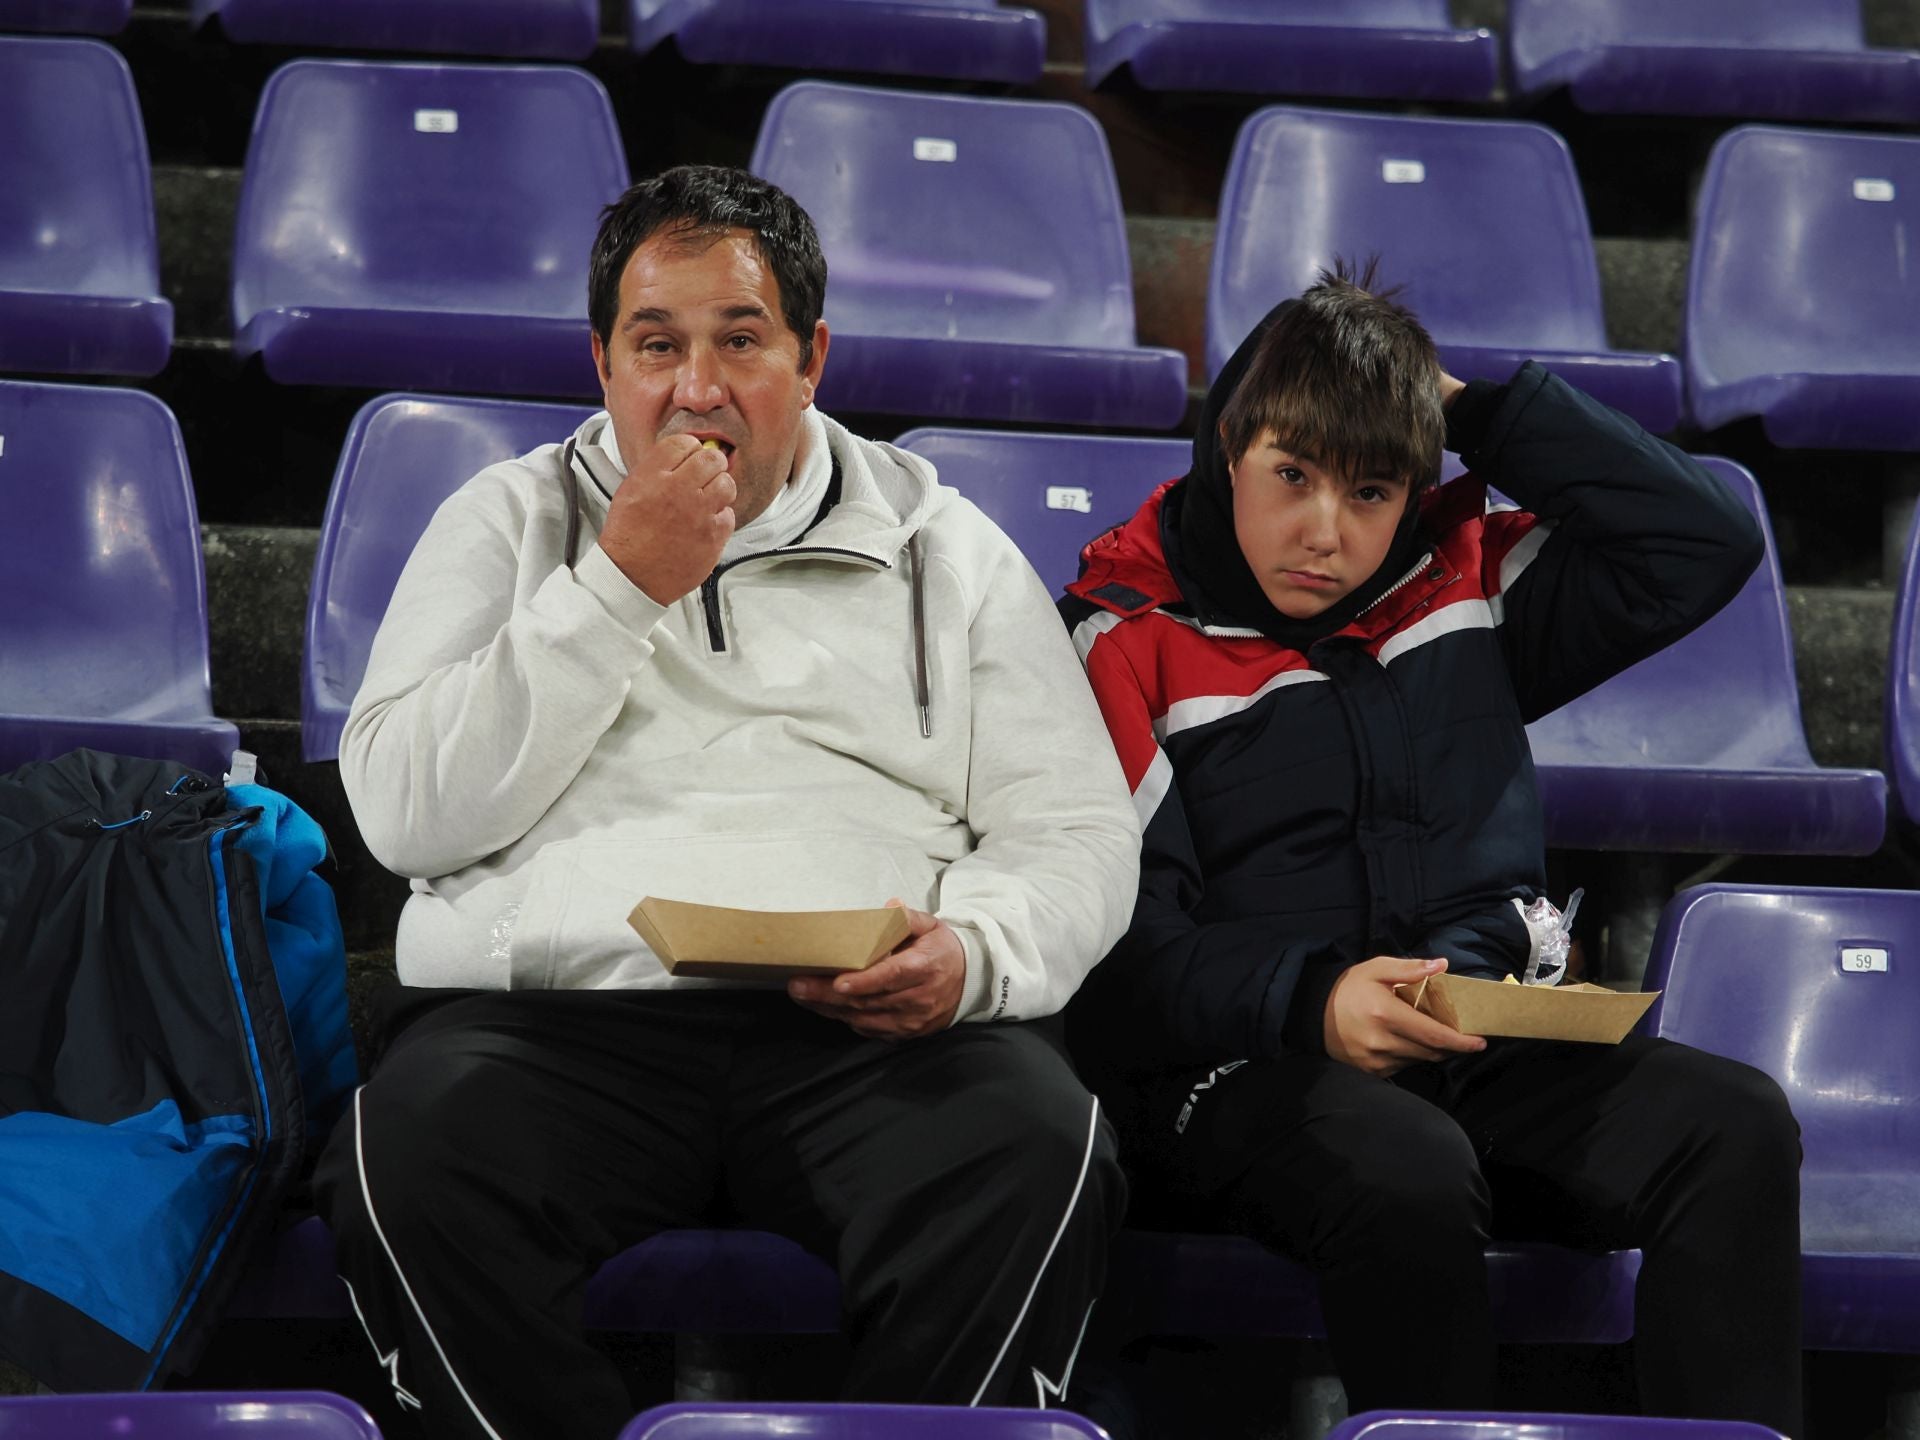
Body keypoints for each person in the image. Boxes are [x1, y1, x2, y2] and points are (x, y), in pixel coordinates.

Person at [317, 164, 1141, 1440]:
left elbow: (1076, 828)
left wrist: (974, 954)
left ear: (811, 359)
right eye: (657, 344)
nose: (696, 387)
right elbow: (406, 812)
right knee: (404, 1156)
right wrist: (616, 586)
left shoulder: (948, 545)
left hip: (871, 1027)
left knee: (1040, 1148)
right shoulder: (507, 519)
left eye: (740, 340)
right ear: (603, 363)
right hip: (564, 1022)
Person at [1059, 263, 1802, 1431]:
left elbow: (1701, 540)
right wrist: (1315, 1005)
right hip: (1246, 1069)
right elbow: (1120, 954)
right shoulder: (1121, 633)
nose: (1326, 533)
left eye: (1372, 490)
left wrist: (1458, 404)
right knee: (1406, 1164)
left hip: (1469, 1037)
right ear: (1228, 445)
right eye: (1291, 476)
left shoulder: (1460, 581)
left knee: (1736, 1126)